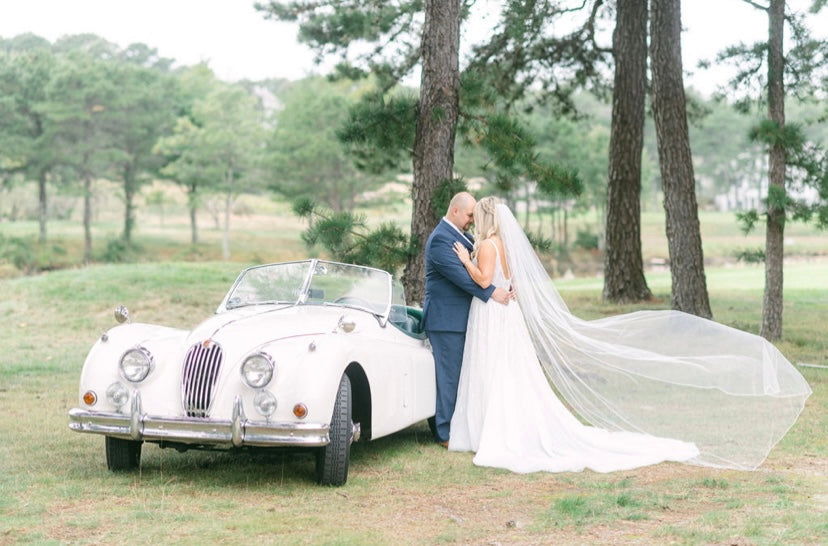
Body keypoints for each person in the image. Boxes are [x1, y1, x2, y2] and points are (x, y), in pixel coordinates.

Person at [447, 196, 811, 473]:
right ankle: (494, 427)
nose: (471, 222)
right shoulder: (503, 244)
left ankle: (497, 431)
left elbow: (483, 279)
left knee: (498, 371)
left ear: (484, 219)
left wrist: (466, 260)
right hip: (502, 312)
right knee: (507, 373)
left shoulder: (489, 245)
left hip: (496, 315)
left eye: (474, 217)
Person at [422, 192, 512, 448]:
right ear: (456, 212)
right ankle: (444, 433)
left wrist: (503, 284)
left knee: (463, 376)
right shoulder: (440, 239)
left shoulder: (467, 238)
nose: (473, 220)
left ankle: (463, 425)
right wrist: (493, 291)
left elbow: (484, 269)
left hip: (467, 318)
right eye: (470, 215)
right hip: (446, 319)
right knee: (448, 377)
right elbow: (461, 277)